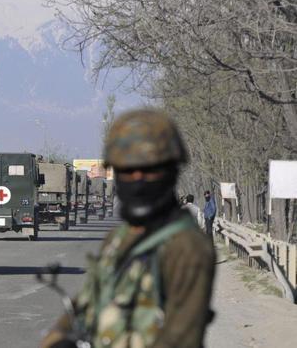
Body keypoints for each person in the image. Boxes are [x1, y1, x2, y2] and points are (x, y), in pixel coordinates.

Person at [41, 109, 216, 348]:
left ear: (171, 172)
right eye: (127, 171)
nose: (138, 179)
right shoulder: (120, 237)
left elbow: (180, 338)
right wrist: (59, 339)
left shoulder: (186, 247)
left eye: (149, 170)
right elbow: (87, 303)